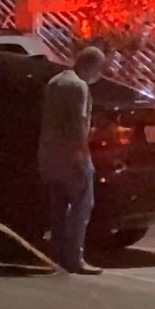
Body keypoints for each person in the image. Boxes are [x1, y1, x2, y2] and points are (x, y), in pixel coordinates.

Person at [39, 46, 106, 275]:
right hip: (71, 155)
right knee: (81, 205)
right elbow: (78, 122)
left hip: (50, 154)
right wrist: (84, 153)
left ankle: (55, 253)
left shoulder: (55, 81)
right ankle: (75, 257)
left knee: (58, 207)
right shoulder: (79, 86)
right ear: (92, 66)